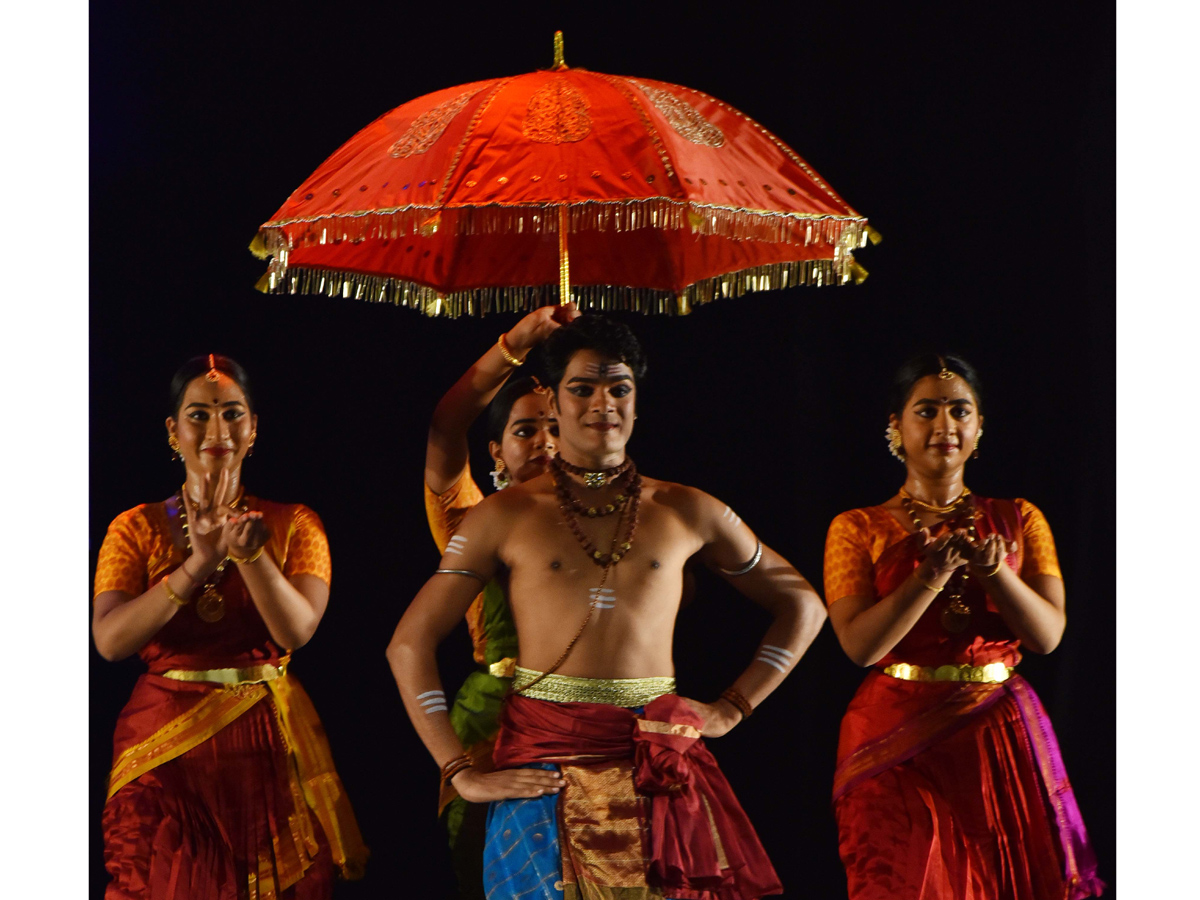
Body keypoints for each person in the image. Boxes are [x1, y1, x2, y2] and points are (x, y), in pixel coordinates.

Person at [389, 315, 827, 900]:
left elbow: (802, 603)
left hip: (659, 770)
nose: (603, 403)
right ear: (555, 399)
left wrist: (730, 709)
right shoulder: (506, 515)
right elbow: (409, 644)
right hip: (541, 777)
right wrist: (458, 771)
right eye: (583, 388)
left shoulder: (685, 509)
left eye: (619, 388)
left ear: (638, 402)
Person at [823, 353, 1104, 900]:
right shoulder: (858, 527)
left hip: (997, 734)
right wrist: (929, 576)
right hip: (894, 733)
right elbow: (859, 645)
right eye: (926, 411)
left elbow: (1047, 636)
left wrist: (995, 573)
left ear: (978, 428)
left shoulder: (1020, 518)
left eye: (960, 410)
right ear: (896, 429)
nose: (944, 425)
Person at [93, 354, 367, 900]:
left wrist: (248, 555)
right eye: (199, 415)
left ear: (253, 427)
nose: (217, 430)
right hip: (163, 749)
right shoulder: (135, 527)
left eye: (231, 413)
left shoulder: (294, 524)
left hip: (264, 746)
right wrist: (196, 563)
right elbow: (110, 640)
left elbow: (296, 631)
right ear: (173, 431)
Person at [424, 304, 576, 898]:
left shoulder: (607, 518)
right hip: (493, 732)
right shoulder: (469, 519)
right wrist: (516, 343)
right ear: (494, 452)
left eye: (557, 426)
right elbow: (445, 427)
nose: (545, 443)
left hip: (586, 725)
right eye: (525, 430)